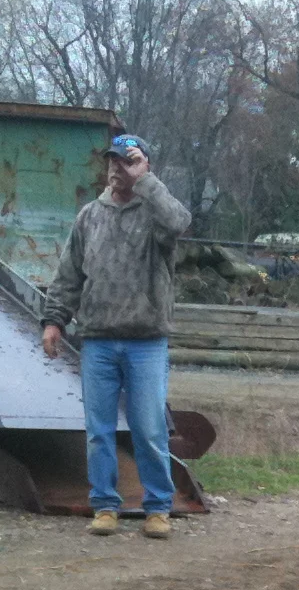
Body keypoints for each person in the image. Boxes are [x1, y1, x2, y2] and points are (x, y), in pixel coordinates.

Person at [42, 134, 192, 538]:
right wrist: (54, 320)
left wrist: (147, 181)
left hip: (146, 341)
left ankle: (158, 507)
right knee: (98, 430)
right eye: (113, 160)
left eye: (128, 161)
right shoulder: (90, 216)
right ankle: (105, 505)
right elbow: (69, 275)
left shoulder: (155, 215)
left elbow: (180, 222)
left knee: (148, 429)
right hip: (99, 342)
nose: (117, 168)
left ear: (144, 167)